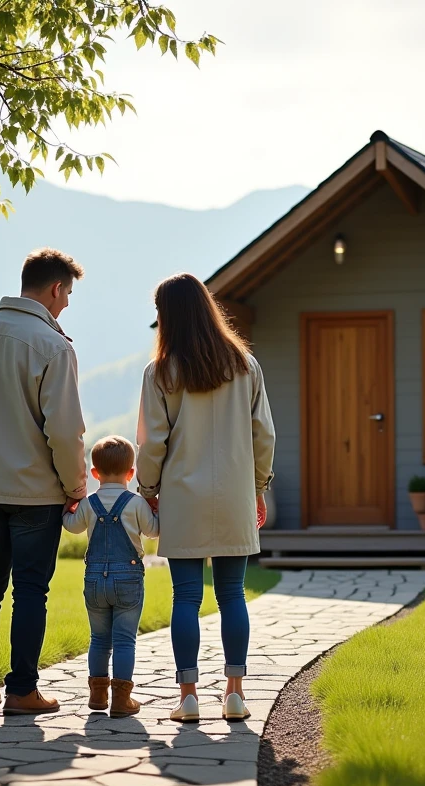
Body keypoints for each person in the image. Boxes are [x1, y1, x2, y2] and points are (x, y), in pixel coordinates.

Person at [0, 247, 88, 716]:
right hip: (35, 493)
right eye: (67, 294)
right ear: (54, 288)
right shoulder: (54, 346)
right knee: (30, 590)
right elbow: (64, 430)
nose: (66, 304)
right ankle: (23, 690)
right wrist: (75, 486)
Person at [136, 273, 276, 724]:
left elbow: (151, 443)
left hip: (182, 498)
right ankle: (234, 694)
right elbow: (264, 436)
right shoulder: (245, 365)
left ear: (168, 316)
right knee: (233, 594)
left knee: (185, 598)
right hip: (235, 495)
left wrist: (148, 490)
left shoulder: (160, 373)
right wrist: (258, 487)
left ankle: (189, 697)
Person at [63, 435, 160, 718]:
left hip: (94, 579)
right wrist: (156, 509)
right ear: (131, 473)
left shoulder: (89, 503)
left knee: (99, 638)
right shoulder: (136, 502)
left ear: (95, 474)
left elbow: (71, 525)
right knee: (125, 640)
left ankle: (97, 695)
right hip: (128, 578)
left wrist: (69, 505)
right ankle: (121, 700)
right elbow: (153, 531)